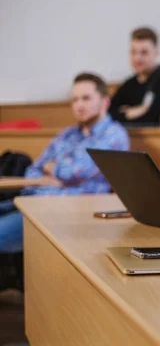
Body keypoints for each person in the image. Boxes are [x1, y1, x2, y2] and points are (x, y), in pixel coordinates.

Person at [0, 73, 129, 289]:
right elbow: (33, 170)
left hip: (63, 213)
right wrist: (49, 174)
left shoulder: (113, 135)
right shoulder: (67, 134)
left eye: (86, 98)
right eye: (75, 99)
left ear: (105, 101)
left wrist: (52, 169)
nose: (79, 105)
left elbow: (75, 171)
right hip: (30, 200)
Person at [109, 27, 160, 126]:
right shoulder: (128, 84)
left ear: (156, 53)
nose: (137, 58)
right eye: (133, 52)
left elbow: (157, 118)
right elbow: (108, 115)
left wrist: (127, 113)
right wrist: (136, 112)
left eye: (144, 52)